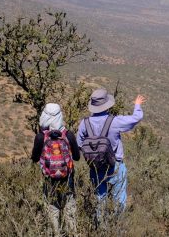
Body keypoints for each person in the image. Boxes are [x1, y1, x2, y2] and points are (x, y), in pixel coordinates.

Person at [77, 88, 146, 212]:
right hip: (115, 166)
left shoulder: (84, 123)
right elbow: (136, 118)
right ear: (106, 105)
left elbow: (79, 144)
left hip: (95, 167)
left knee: (99, 200)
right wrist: (137, 105)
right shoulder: (115, 121)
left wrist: (94, 153)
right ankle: (116, 227)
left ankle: (101, 227)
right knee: (119, 200)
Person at [31, 103, 80, 235]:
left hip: (49, 178)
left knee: (52, 207)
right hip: (67, 177)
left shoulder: (41, 136)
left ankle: (56, 233)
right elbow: (77, 157)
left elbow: (35, 158)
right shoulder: (68, 135)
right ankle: (73, 233)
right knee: (69, 207)